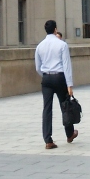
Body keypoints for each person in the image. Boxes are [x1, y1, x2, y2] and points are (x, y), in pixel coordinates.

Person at [34, 19, 76, 149]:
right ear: (55, 29)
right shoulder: (62, 45)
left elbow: (37, 67)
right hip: (59, 77)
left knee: (47, 108)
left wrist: (45, 75)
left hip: (46, 78)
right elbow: (66, 65)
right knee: (65, 105)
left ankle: (48, 140)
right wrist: (69, 84)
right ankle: (69, 134)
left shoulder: (40, 46)